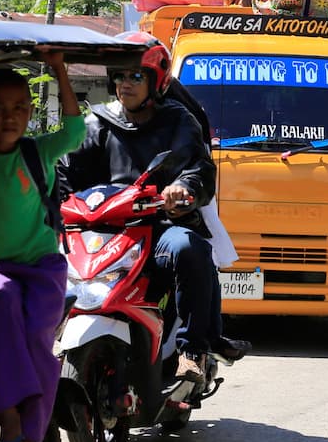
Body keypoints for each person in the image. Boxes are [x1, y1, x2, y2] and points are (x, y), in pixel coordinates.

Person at [57, 33, 249, 386]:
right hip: (103, 232)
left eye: (136, 76)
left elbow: (198, 168)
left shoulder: (178, 121)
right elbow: (66, 172)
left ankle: (192, 350)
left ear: (156, 81)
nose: (125, 84)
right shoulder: (98, 122)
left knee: (189, 248)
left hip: (156, 227)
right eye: (120, 76)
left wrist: (183, 188)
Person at [0, 55, 81, 442]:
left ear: (31, 113)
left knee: (37, 336)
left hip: (42, 268)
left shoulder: (38, 151)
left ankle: (31, 437)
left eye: (19, 107)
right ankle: (9, 419)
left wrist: (60, 69)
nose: (9, 116)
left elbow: (73, 129)